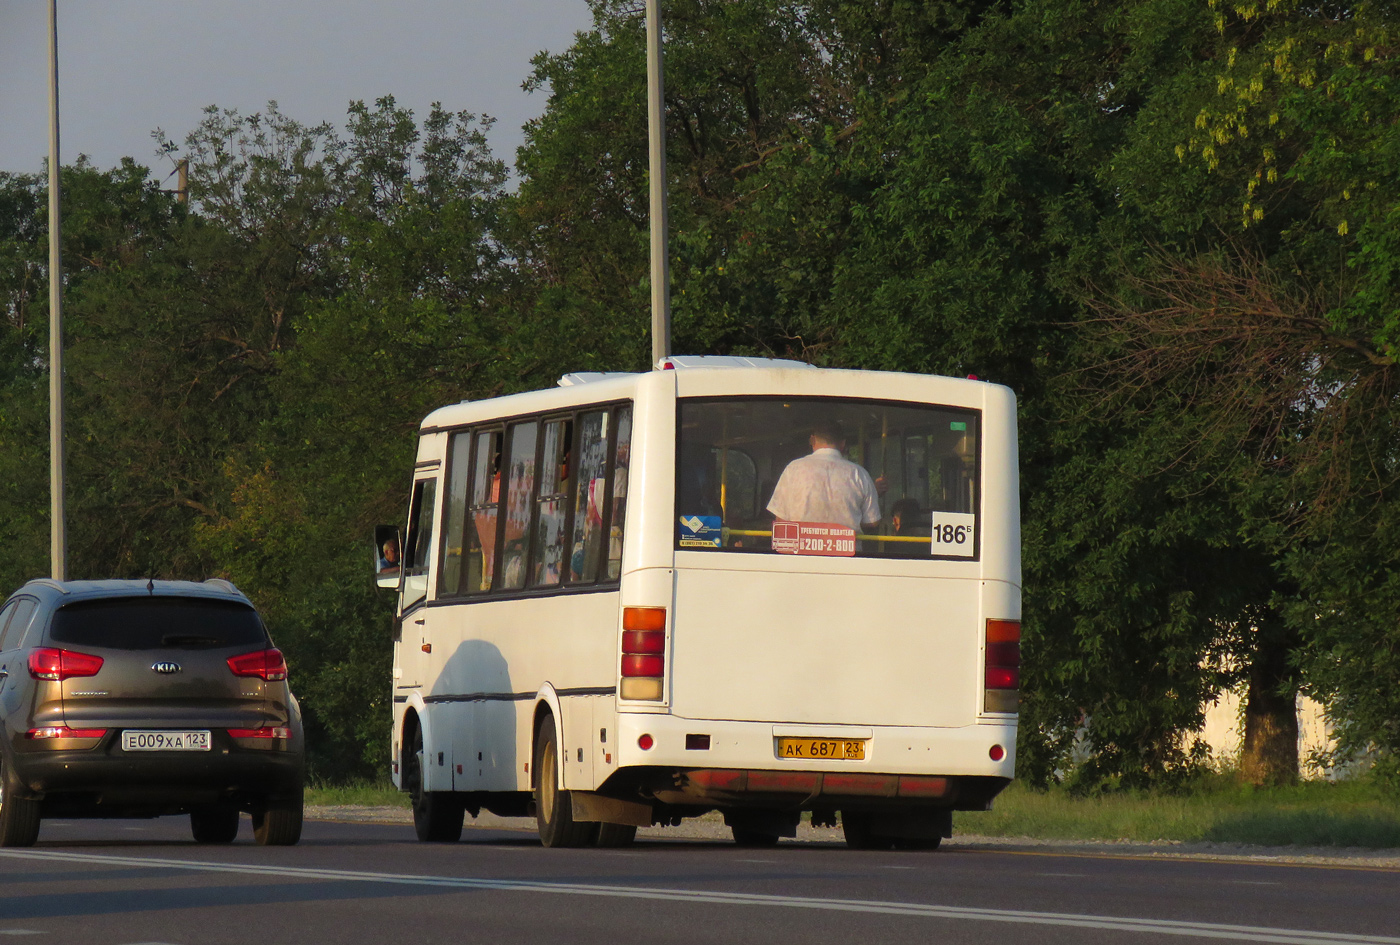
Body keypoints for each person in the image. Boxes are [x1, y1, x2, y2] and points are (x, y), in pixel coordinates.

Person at [766, 419, 882, 532]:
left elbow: (780, 519)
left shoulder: (793, 469)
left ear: (812, 440)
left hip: (801, 544)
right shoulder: (859, 473)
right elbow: (872, 521)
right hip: (845, 545)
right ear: (843, 443)